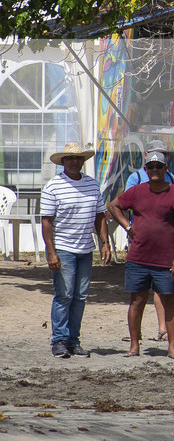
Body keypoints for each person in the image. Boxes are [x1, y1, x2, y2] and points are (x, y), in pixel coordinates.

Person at [109, 148, 174, 359]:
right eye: (151, 166)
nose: (155, 170)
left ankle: (172, 347)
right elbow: (114, 206)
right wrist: (127, 226)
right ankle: (134, 345)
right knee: (137, 301)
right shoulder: (137, 191)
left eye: (159, 166)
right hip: (138, 257)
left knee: (170, 301)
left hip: (166, 259)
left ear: (165, 168)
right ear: (146, 169)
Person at [41, 141, 107, 358]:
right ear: (63, 162)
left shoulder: (92, 185)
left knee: (80, 296)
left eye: (78, 158)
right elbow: (47, 222)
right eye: (70, 158)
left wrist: (104, 242)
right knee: (64, 295)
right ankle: (59, 340)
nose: (75, 162)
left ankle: (73, 340)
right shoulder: (53, 186)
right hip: (64, 248)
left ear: (83, 161)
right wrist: (51, 252)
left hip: (85, 249)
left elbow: (100, 215)